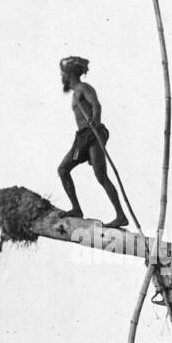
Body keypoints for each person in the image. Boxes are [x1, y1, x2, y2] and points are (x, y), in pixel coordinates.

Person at [57, 55, 127, 228]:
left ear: (69, 74)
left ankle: (120, 216)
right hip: (82, 138)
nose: (61, 78)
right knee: (64, 169)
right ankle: (76, 208)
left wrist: (95, 119)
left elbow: (96, 104)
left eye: (62, 74)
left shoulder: (83, 87)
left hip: (92, 134)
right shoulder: (75, 93)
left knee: (99, 175)